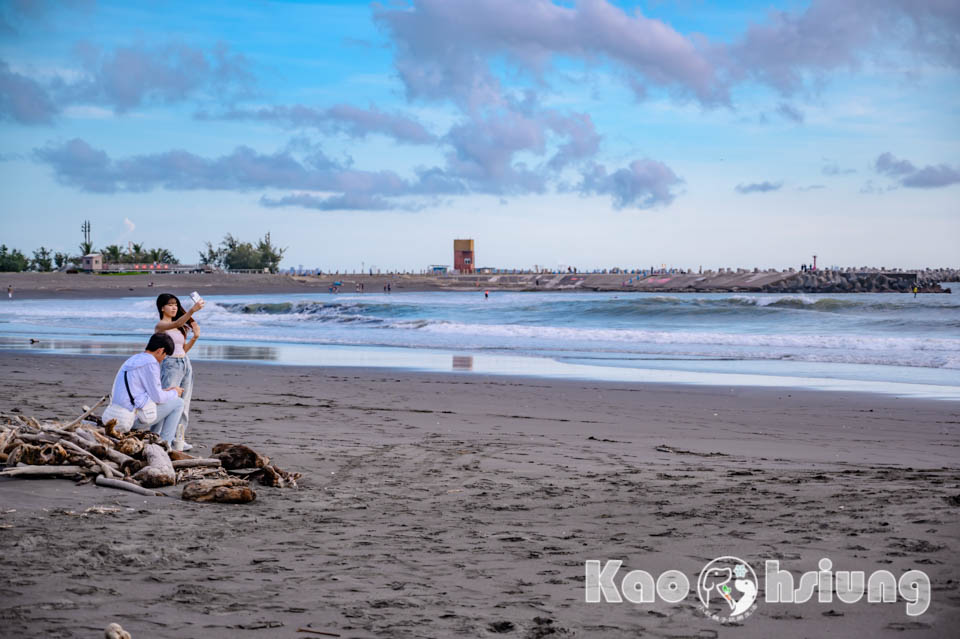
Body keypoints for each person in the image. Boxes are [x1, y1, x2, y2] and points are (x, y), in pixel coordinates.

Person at [109, 333, 184, 444]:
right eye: (165, 355)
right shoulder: (151, 364)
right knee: (178, 403)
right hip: (129, 419)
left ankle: (155, 439)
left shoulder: (133, 359)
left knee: (165, 400)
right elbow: (158, 398)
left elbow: (140, 392)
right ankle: (165, 444)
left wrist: (165, 392)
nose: (163, 359)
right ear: (160, 350)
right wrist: (174, 392)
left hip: (113, 415)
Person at [155, 293, 204, 451]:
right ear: (162, 308)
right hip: (170, 364)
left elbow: (183, 350)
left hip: (184, 363)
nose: (174, 307)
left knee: (184, 403)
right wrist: (191, 312)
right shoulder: (161, 325)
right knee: (168, 401)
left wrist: (195, 337)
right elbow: (177, 322)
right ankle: (159, 436)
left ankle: (179, 440)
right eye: (170, 304)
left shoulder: (178, 327)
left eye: (175, 304)